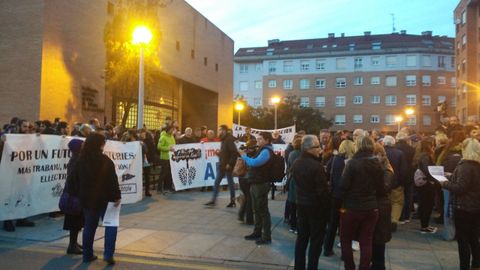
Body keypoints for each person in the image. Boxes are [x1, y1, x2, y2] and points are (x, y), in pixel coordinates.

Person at [76, 133, 121, 265]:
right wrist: (117, 196)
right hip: (105, 198)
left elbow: (74, 180)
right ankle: (108, 254)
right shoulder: (105, 160)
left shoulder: (80, 160)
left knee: (89, 226)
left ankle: (87, 254)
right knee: (111, 225)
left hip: (87, 199)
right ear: (100, 144)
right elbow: (113, 180)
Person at [340, 135, 384, 270]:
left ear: (357, 146)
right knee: (367, 241)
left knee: (346, 240)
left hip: (351, 207)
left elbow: (343, 185)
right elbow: (381, 188)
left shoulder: (352, 163)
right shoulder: (377, 163)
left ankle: (349, 267)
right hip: (371, 207)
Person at [291, 135, 330, 270]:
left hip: (301, 204)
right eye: (317, 146)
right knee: (316, 241)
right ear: (308, 148)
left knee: (302, 239)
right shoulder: (316, 167)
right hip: (316, 207)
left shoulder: (297, 162)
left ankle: (299, 266)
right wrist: (327, 208)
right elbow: (322, 192)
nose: (320, 149)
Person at [440, 138, 480, 270]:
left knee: (463, 239)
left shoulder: (465, 166)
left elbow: (460, 188)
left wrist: (444, 183)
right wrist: (451, 175)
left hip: (464, 207)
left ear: (465, 149)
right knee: (474, 237)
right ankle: (476, 263)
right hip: (476, 207)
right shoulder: (476, 165)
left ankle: (464, 266)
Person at [240, 132, 274, 245]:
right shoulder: (262, 149)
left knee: (262, 210)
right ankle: (257, 232)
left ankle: (266, 236)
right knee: (256, 209)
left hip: (261, 184)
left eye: (260, 139)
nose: (258, 141)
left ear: (267, 140)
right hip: (256, 182)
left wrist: (244, 156)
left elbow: (255, 163)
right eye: (258, 139)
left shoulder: (266, 151)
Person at [323, 139, 355, 256]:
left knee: (333, 223)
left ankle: (327, 248)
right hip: (347, 198)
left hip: (335, 195)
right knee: (346, 226)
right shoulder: (352, 162)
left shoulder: (334, 159)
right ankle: (345, 253)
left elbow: (326, 175)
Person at [371, 143, 394, 270]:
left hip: (382, 207)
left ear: (380, 155)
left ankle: (379, 266)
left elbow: (385, 188)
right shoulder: (381, 168)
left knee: (379, 240)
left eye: (374, 155)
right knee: (374, 239)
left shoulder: (387, 170)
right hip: (377, 205)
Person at [205, 125, 238, 207]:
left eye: (220, 130)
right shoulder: (224, 139)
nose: (218, 131)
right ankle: (213, 200)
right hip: (222, 165)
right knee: (217, 182)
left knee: (230, 183)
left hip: (227, 166)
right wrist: (219, 154)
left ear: (224, 131)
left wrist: (230, 164)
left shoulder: (229, 139)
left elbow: (234, 152)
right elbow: (226, 152)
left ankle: (232, 200)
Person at [382, 135, 407, 233]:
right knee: (397, 203)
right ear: (394, 143)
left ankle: (384, 221)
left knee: (385, 202)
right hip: (396, 184)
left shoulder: (381, 152)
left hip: (383, 183)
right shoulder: (400, 153)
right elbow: (403, 170)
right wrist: (401, 182)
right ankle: (393, 220)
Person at [412, 138, 437, 234]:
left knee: (423, 204)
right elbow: (427, 170)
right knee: (427, 204)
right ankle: (424, 226)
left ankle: (425, 225)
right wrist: (433, 179)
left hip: (421, 183)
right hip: (426, 184)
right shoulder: (426, 156)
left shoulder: (420, 155)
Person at [63, 139, 84, 255]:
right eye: (82, 145)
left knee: (77, 221)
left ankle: (74, 243)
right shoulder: (77, 160)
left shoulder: (76, 159)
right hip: (74, 196)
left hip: (74, 194)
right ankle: (72, 245)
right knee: (74, 221)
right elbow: (74, 179)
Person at [396, 132, 415, 224]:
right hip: (409, 174)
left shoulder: (395, 148)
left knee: (399, 196)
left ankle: (400, 216)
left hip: (398, 175)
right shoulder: (411, 149)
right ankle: (407, 217)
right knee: (408, 196)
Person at [285, 137, 302, 233]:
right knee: (299, 206)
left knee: (292, 204)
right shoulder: (302, 155)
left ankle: (292, 225)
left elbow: (288, 166)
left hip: (292, 180)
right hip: (300, 181)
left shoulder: (291, 154)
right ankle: (298, 226)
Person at [157, 125, 176, 193]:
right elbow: (159, 147)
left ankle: (168, 187)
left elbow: (174, 146)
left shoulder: (172, 137)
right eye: (171, 129)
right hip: (165, 158)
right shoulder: (163, 137)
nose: (172, 131)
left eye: (173, 129)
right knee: (163, 174)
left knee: (170, 174)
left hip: (171, 158)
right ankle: (159, 189)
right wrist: (168, 148)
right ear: (168, 130)